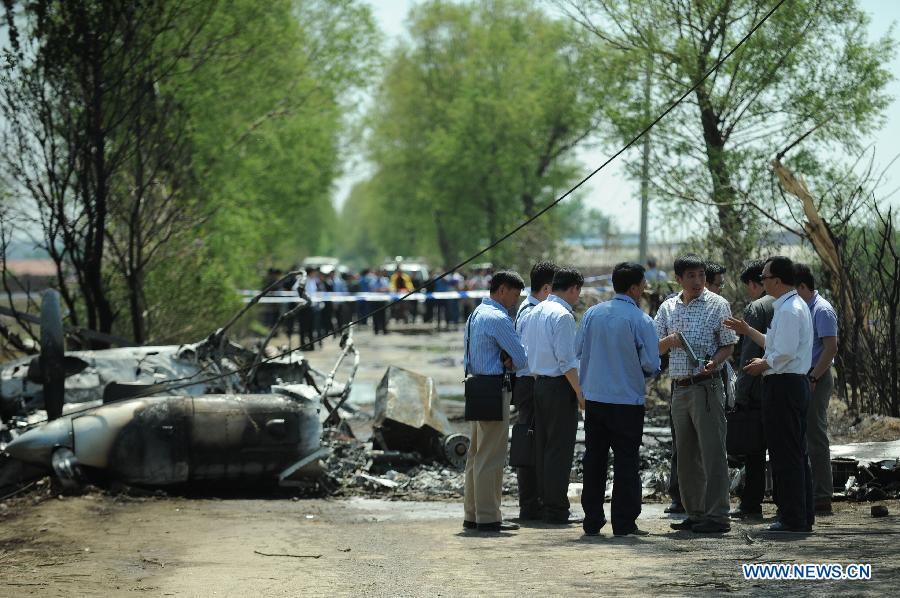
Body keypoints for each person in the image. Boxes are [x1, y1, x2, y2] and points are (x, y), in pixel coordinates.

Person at [726, 256, 814, 532]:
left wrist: (763, 364)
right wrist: (748, 331)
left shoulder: (789, 310)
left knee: (785, 454)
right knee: (794, 452)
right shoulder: (790, 306)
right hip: (790, 383)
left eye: (764, 277)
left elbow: (783, 352)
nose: (762, 282)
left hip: (784, 385)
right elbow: (775, 344)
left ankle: (792, 518)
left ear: (777, 280)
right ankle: (801, 514)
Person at [577, 262, 660, 537]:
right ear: (635, 287)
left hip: (596, 399)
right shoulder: (641, 319)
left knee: (594, 460)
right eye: (643, 284)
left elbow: (578, 349)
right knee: (626, 462)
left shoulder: (591, 314)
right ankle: (624, 524)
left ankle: (592, 521)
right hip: (626, 401)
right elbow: (650, 363)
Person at [656, 254, 737, 534]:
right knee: (686, 454)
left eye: (701, 275)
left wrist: (715, 362)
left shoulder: (717, 305)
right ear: (679, 278)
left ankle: (718, 515)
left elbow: (728, 345)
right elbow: (655, 347)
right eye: (691, 276)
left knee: (712, 451)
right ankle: (696, 512)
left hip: (707, 386)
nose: (698, 281)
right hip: (679, 388)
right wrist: (671, 340)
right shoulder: (668, 308)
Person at [462, 271, 528, 532]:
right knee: (491, 456)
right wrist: (509, 359)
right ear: (502, 290)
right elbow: (521, 358)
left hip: (476, 385)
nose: (515, 301)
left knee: (476, 454)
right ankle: (489, 517)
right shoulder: (499, 317)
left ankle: (473, 513)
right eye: (514, 294)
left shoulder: (476, 314)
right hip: (493, 387)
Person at [522, 267, 585, 525]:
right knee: (559, 450)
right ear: (573, 289)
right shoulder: (563, 316)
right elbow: (567, 362)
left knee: (543, 448)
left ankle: (547, 504)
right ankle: (556, 509)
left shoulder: (536, 311)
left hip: (539, 384)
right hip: (560, 386)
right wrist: (581, 395)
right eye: (578, 292)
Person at [512, 261, 558, 521]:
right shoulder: (533, 312)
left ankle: (534, 502)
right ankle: (531, 505)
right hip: (530, 384)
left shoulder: (530, 308)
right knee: (530, 445)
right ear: (547, 288)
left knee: (534, 443)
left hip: (529, 383)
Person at [729, 260, 774, 519]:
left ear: (754, 284)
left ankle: (751, 504)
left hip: (758, 390)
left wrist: (740, 394)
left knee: (755, 452)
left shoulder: (756, 308)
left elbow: (748, 355)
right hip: (789, 385)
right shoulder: (794, 302)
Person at [794, 263, 838, 515]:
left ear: (802, 286)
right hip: (806, 377)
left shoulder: (821, 310)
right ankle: (811, 490)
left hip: (817, 379)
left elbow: (830, 348)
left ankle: (822, 495)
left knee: (816, 435)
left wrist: (812, 377)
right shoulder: (804, 308)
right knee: (804, 435)